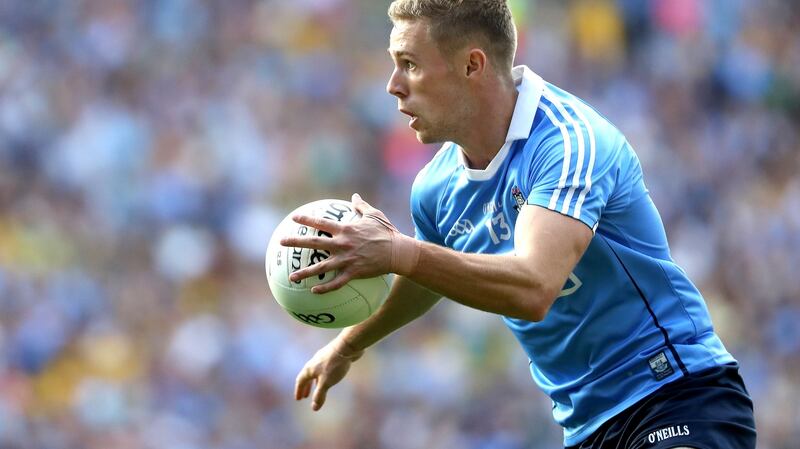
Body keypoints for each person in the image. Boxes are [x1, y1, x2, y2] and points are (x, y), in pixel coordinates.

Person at [280, 1, 757, 448]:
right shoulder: (435, 186)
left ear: (472, 65)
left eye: (410, 63)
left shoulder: (570, 142)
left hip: (674, 391)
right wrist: (350, 344)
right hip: (585, 427)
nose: (393, 85)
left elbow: (534, 287)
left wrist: (398, 251)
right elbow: (428, 277)